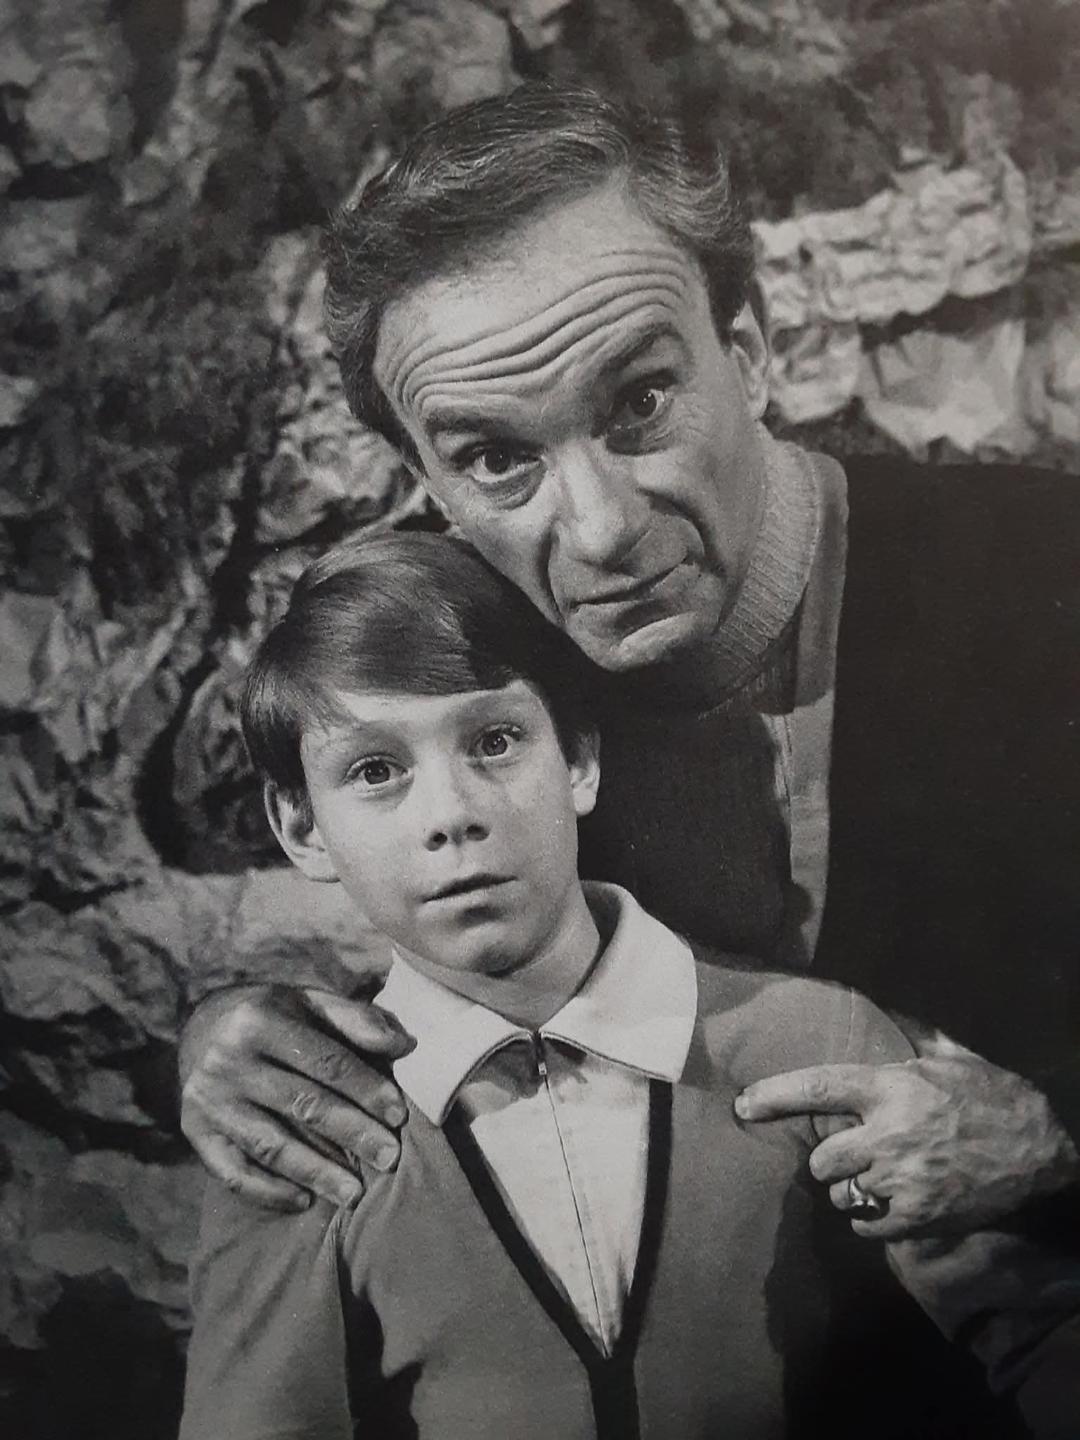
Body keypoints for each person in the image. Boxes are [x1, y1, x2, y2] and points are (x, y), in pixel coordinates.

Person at [178, 83, 1080, 1244]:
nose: (602, 529)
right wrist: (234, 1037)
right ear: (427, 482)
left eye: (643, 400)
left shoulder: (1045, 567)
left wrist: (1051, 1134)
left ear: (750, 351)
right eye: (495, 459)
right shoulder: (478, 677)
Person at [180, 530, 1077, 1440]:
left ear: (578, 760)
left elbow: (1047, 1343)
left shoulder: (810, 1043)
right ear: (302, 827)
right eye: (375, 771)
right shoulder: (300, 1124)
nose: (451, 815)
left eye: (495, 741)